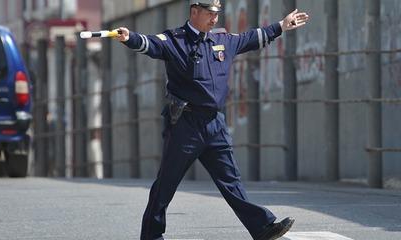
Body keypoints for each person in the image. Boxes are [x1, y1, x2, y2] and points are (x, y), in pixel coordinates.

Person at [115, 1, 309, 239]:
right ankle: (152, 235)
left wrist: (281, 26)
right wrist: (129, 38)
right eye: (209, 13)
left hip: (214, 124)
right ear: (194, 12)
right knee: (166, 183)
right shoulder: (175, 40)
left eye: (216, 13)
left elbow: (252, 38)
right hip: (185, 125)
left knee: (231, 181)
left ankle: (261, 227)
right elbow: (150, 44)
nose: (214, 18)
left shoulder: (222, 41)